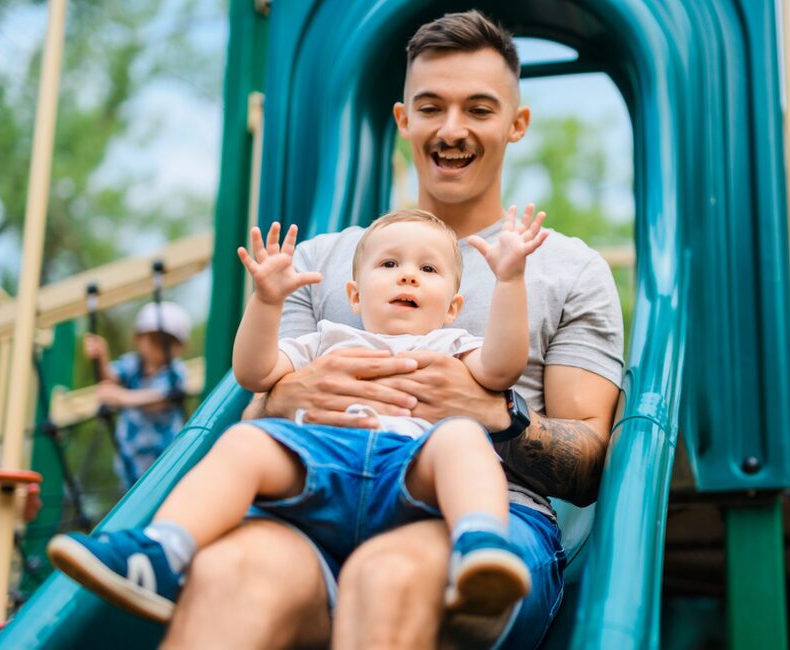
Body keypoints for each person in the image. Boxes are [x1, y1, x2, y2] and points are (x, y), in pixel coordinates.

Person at [164, 10, 623, 650]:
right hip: (315, 498)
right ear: (404, 119)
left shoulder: (566, 268)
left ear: (516, 124)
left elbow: (591, 462)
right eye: (431, 107)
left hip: (487, 515)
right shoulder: (317, 261)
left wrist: (494, 413)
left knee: (388, 576)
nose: (452, 129)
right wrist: (293, 394)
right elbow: (254, 413)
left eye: (479, 109)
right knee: (229, 575)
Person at [47, 207, 548, 623]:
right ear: (354, 295)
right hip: (322, 464)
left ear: (453, 307)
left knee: (462, 438)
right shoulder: (327, 339)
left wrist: (510, 279)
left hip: (410, 471)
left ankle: (478, 544)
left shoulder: (451, 344)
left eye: (429, 270)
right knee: (245, 441)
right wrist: (267, 302)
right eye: (389, 263)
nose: (408, 275)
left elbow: (502, 368)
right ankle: (162, 552)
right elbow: (255, 373)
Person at [83, 301, 191, 489]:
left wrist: (121, 397)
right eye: (154, 339)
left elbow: (160, 399)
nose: (160, 346)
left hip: (165, 462)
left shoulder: (175, 371)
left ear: (180, 347)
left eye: (168, 341)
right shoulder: (133, 364)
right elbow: (109, 378)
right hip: (130, 463)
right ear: (138, 339)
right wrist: (101, 356)